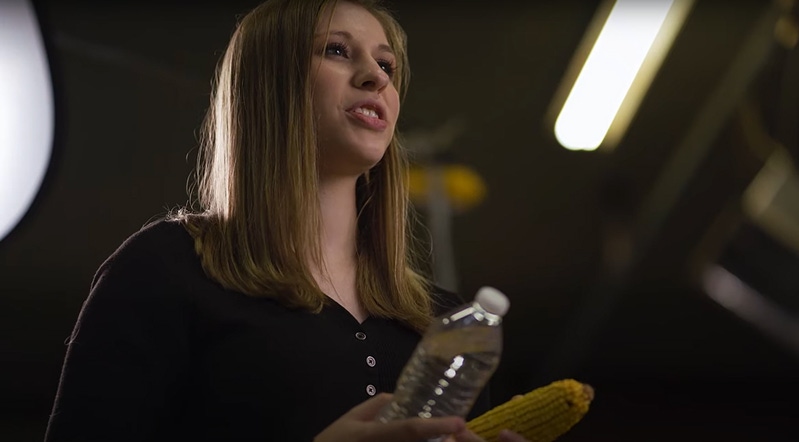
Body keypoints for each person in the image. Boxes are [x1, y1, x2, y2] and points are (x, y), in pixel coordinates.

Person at [44, 1, 527, 441]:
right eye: (337, 51)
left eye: (386, 65)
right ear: (268, 84)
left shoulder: (443, 321)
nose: (375, 78)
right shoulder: (168, 268)